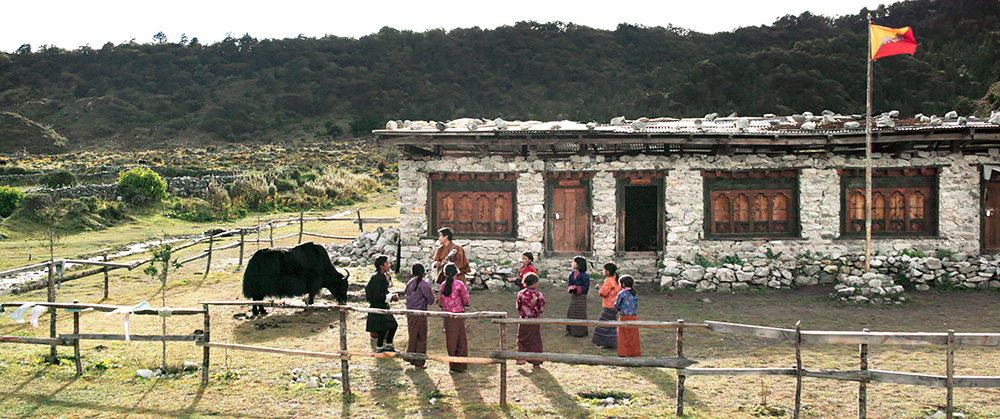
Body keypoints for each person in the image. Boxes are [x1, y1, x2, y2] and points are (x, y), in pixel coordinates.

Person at [438, 263, 470, 372]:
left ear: (445, 273)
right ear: (457, 272)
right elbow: (466, 299)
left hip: (447, 315)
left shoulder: (443, 285)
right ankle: (461, 366)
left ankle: (452, 365)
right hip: (458, 314)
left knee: (451, 340)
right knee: (461, 340)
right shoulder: (459, 284)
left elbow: (440, 301)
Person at [366, 254, 398, 353]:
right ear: (381, 266)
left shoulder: (384, 276)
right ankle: (380, 347)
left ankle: (387, 346)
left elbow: (384, 291)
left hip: (383, 304)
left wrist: (391, 295)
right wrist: (389, 297)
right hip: (377, 305)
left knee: (391, 325)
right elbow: (376, 294)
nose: (389, 265)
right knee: (383, 327)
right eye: (387, 263)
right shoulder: (376, 278)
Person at [404, 262, 434, 368]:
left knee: (412, 334)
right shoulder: (424, 284)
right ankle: (419, 361)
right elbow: (430, 300)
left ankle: (410, 355)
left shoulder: (409, 283)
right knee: (421, 336)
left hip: (410, 312)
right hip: (420, 312)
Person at [515, 272, 546, 368]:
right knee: (535, 339)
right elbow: (541, 308)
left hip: (523, 320)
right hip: (534, 320)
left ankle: (521, 357)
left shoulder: (521, 293)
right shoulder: (538, 295)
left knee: (522, 338)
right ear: (535, 283)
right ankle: (536, 361)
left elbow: (518, 306)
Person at [592, 262, 621, 349]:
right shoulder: (616, 280)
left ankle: (601, 342)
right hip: (615, 305)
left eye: (604, 270)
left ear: (607, 271)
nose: (603, 271)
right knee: (611, 325)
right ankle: (611, 342)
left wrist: (599, 288)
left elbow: (603, 293)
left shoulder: (608, 280)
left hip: (608, 305)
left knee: (602, 324)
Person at [614, 274, 641, 357]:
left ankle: (623, 353)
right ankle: (634, 352)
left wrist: (617, 308)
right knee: (633, 336)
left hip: (624, 316)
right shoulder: (634, 293)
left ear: (623, 284)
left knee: (623, 336)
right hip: (633, 316)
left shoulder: (622, 293)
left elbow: (617, 305)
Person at [565, 256, 590, 337]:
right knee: (571, 313)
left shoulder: (584, 276)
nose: (573, 264)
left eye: (574, 262)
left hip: (581, 297)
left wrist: (577, 288)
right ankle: (570, 330)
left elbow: (586, 287)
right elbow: (569, 283)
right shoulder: (572, 274)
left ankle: (580, 332)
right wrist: (571, 288)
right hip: (574, 297)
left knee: (580, 314)